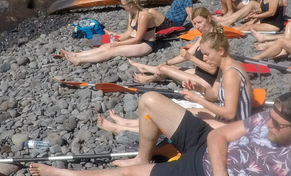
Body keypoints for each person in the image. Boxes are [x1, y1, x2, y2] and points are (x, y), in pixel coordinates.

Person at [29, 91, 291, 176]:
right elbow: (218, 136)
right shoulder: (266, 118)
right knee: (150, 100)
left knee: (128, 175)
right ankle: (143, 155)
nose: (268, 124)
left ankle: (60, 174)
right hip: (208, 151)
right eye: (271, 117)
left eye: (277, 124)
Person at [99, 31, 253, 135]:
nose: (204, 59)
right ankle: (127, 123)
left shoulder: (231, 73)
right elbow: (213, 94)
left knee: (177, 121)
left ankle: (121, 130)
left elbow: (230, 113)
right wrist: (199, 88)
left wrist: (198, 99)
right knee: (179, 112)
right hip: (225, 119)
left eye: (206, 54)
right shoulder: (224, 67)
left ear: (220, 51)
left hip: (235, 127)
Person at [128, 7, 220, 88]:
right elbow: (189, 53)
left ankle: (149, 79)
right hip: (201, 73)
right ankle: (145, 68)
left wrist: (191, 58)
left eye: (199, 22)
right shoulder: (205, 35)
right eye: (195, 24)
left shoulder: (214, 38)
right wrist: (167, 62)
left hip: (207, 81)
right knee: (172, 67)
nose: (197, 27)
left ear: (208, 18)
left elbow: (212, 70)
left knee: (165, 69)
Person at [60, 0, 161, 65]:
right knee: (105, 46)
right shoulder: (132, 13)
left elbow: (138, 39)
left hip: (145, 44)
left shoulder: (143, 16)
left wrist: (118, 44)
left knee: (112, 51)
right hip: (134, 40)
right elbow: (129, 32)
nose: (122, 7)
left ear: (130, 5)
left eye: (123, 5)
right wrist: (118, 39)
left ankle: (80, 60)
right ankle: (75, 55)